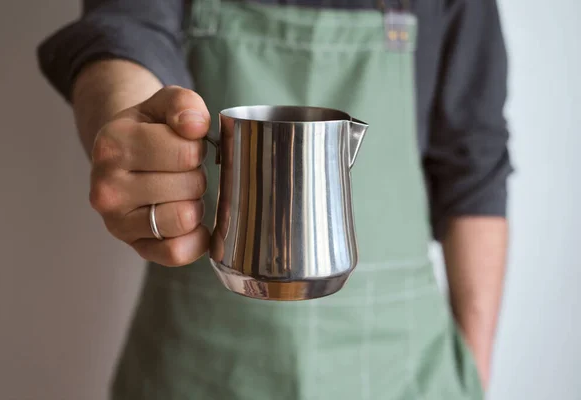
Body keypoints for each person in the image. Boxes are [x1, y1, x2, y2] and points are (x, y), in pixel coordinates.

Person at [37, 0, 512, 398]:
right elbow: (127, 27)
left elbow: (474, 163)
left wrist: (473, 373)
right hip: (197, 363)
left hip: (404, 370)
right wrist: (134, 128)